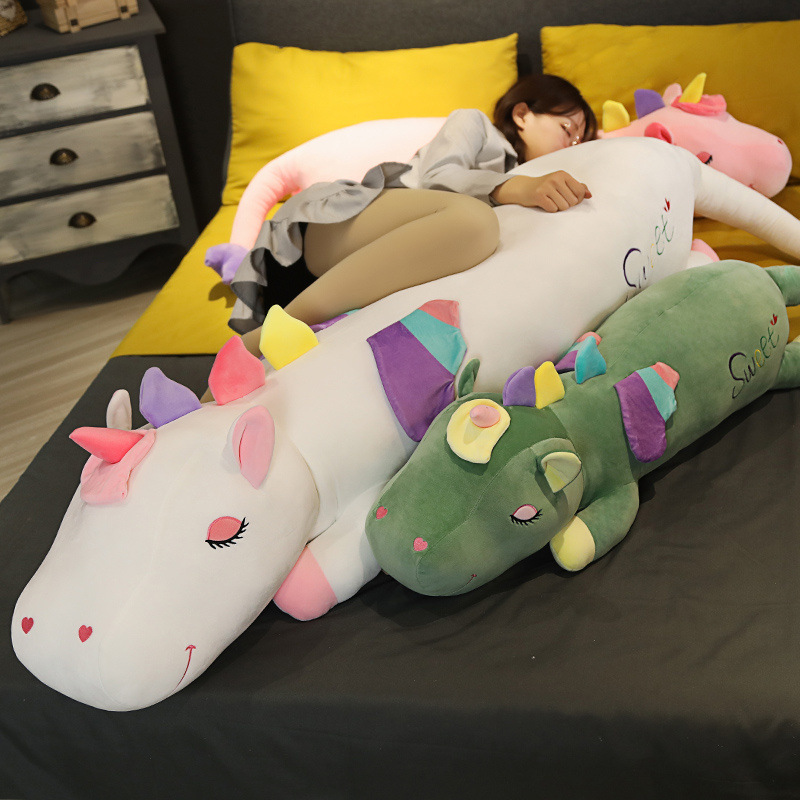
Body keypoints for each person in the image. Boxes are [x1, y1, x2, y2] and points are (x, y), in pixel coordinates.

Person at [222, 74, 598, 344]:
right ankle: (267, 338)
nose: (573, 145)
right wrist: (513, 187)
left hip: (359, 279)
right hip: (330, 230)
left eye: (582, 140)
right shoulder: (478, 126)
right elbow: (438, 177)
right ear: (522, 114)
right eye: (568, 129)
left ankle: (276, 339)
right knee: (475, 222)